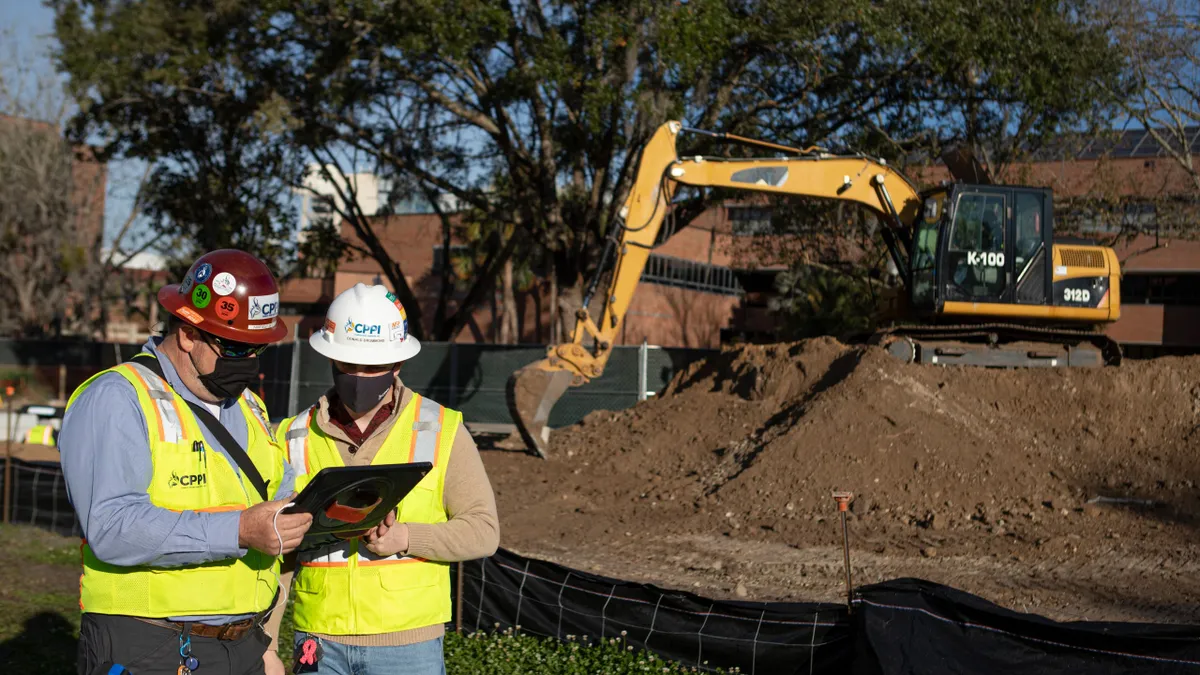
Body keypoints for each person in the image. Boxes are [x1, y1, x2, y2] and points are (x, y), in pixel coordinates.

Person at [60, 249, 313, 675]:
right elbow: (111, 526)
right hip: (149, 645)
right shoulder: (119, 397)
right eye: (234, 347)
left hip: (243, 644)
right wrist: (238, 531)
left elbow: (275, 494)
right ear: (188, 334)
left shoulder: (248, 405)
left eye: (256, 349)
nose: (247, 363)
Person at [267, 283, 499, 675]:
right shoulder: (291, 437)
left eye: (373, 367)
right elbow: (278, 553)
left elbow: (484, 531)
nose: (359, 377)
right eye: (347, 364)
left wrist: (406, 538)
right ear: (329, 357)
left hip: (409, 649)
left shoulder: (442, 430)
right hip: (318, 643)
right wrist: (267, 646)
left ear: (397, 364)